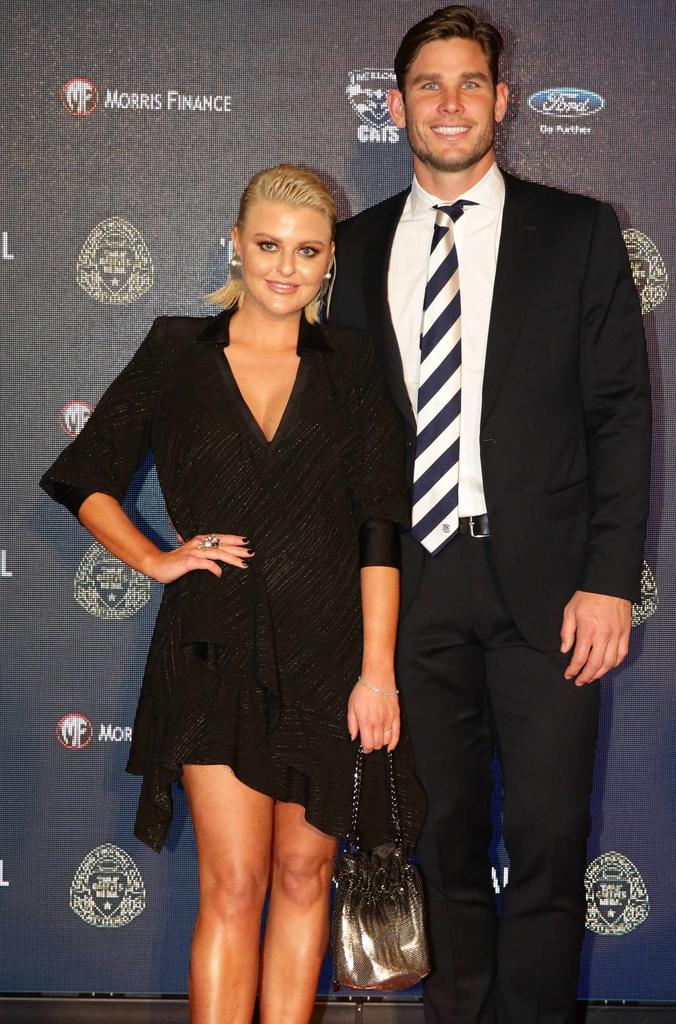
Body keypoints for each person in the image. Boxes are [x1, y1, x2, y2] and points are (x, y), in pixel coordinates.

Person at [40, 164, 424, 1024]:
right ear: (236, 246)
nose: (286, 267)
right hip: (212, 649)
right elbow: (85, 473)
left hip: (331, 659)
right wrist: (152, 558)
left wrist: (377, 672)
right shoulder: (176, 350)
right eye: (267, 246)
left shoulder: (353, 364)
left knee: (303, 876)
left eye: (307, 250)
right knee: (235, 880)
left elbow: (377, 528)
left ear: (329, 262)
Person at [331, 7, 652, 1023]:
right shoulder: (354, 245)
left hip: (551, 591)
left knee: (552, 841)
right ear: (396, 107)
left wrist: (608, 578)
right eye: (429, 85)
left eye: (471, 82)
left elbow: (619, 415)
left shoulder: (578, 230)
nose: (451, 103)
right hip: (413, 590)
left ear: (503, 101)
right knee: (441, 846)